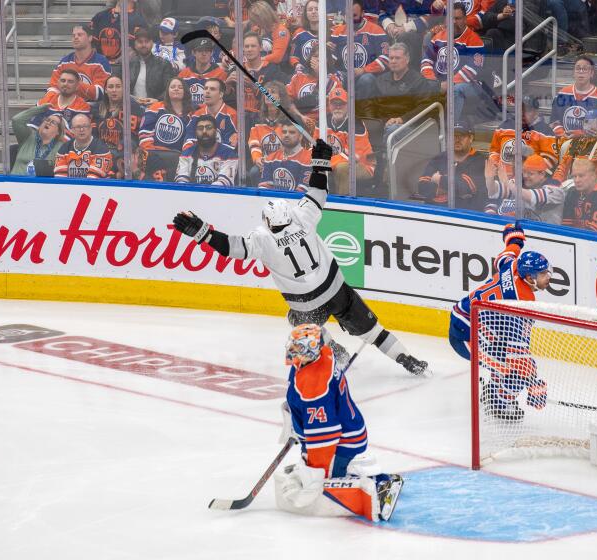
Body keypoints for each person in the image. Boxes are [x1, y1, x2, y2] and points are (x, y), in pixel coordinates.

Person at [172, 139, 431, 376]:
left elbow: (232, 248)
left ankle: (331, 354)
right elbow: (318, 192)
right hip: (336, 289)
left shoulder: (262, 238)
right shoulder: (302, 217)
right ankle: (409, 361)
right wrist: (320, 162)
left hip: (306, 305)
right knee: (374, 332)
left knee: (295, 322)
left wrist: (202, 233)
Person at [272, 323, 404, 522]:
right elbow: (299, 394)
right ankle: (339, 470)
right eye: (293, 344)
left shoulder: (315, 385)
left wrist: (317, 475)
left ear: (310, 350)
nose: (292, 350)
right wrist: (295, 421)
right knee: (313, 471)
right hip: (340, 428)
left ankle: (381, 485)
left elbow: (325, 436)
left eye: (298, 347)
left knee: (326, 483)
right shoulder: (321, 355)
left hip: (342, 440)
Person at [448, 222, 550, 421]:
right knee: (519, 371)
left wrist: (514, 237)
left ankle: (496, 389)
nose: (549, 276)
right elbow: (518, 354)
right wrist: (533, 384)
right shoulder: (522, 303)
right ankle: (498, 401)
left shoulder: (513, 268)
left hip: (469, 323)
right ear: (529, 277)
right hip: (466, 338)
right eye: (543, 273)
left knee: (504, 354)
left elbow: (507, 254)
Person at [421, 4, 486, 120]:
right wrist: (433, 82)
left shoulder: (475, 40)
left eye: (458, 18)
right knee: (420, 85)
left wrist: (448, 84)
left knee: (456, 90)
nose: (454, 22)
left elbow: (471, 70)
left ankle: (450, 129)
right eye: (451, 18)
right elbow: (426, 61)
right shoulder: (438, 37)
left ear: (465, 19)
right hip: (440, 82)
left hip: (469, 85)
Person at [413, 119, 487, 210]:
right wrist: (446, 189)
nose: (457, 140)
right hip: (433, 212)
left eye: (462, 136)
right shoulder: (439, 157)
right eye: (454, 136)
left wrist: (439, 179)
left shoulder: (480, 160)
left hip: (463, 215)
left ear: (471, 138)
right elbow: (422, 186)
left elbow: (465, 187)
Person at [321, 87, 375, 194]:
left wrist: (325, 162)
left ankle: (343, 205)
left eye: (341, 104)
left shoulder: (355, 124)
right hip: (332, 161)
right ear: (329, 105)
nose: (337, 107)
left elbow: (353, 157)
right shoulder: (323, 120)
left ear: (348, 106)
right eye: (334, 103)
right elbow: (314, 146)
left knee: (342, 168)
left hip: (364, 165)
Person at [329, 0, 389, 96]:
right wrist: (327, 50)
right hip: (345, 74)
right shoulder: (338, 32)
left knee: (366, 79)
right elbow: (332, 60)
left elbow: (386, 59)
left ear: (362, 14)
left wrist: (364, 70)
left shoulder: (376, 31)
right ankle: (338, 108)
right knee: (333, 77)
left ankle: (362, 110)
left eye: (354, 16)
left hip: (368, 74)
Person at [91, 75, 145, 178]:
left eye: (118, 86)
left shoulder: (132, 107)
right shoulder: (97, 108)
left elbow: (133, 138)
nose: (114, 90)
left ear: (124, 89)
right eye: (110, 87)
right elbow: (93, 136)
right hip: (101, 152)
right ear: (106, 90)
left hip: (123, 153)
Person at [550, 56, 597, 140]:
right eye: (578, 68)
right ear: (573, 73)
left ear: (591, 73)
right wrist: (563, 135)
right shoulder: (562, 94)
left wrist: (582, 134)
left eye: (585, 69)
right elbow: (554, 121)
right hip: (564, 143)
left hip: (590, 145)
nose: (581, 72)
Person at [47, 24, 112, 102]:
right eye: (73, 35)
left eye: (80, 35)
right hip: (67, 106)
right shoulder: (65, 62)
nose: (76, 37)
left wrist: (75, 84)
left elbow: (100, 93)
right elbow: (53, 88)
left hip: (91, 108)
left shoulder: (101, 62)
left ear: (90, 38)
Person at [561, 157, 597, 232]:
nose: (577, 180)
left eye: (581, 176)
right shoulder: (572, 192)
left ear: (593, 176)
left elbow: (594, 233)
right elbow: (565, 227)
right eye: (574, 176)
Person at [176, 114, 238, 185]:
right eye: (200, 128)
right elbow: (181, 182)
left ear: (215, 131)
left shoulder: (229, 154)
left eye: (208, 128)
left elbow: (223, 184)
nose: (204, 131)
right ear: (196, 132)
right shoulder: (187, 154)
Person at [53, 113, 114, 179]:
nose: (82, 129)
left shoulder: (101, 148)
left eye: (85, 126)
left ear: (91, 128)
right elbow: (60, 179)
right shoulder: (64, 148)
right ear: (72, 130)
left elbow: (92, 180)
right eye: (78, 127)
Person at [127, 27, 176, 107]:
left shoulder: (164, 64)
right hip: (132, 107)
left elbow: (170, 89)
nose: (143, 45)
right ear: (135, 45)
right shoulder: (128, 64)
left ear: (152, 43)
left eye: (147, 42)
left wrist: (157, 100)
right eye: (140, 42)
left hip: (156, 107)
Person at [258, 120, 313, 191]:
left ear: (300, 137)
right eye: (284, 132)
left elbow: (302, 192)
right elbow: (264, 188)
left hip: (296, 201)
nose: (287, 135)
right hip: (274, 200)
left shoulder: (308, 159)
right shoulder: (270, 158)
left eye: (292, 132)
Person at [10, 107, 66, 176]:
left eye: (53, 122)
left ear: (58, 131)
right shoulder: (27, 136)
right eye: (47, 120)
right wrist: (41, 109)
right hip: (16, 182)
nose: (48, 122)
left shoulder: (61, 147)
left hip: (42, 185)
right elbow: (16, 120)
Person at [33, 69, 92, 133]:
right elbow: (33, 125)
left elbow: (77, 134)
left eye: (70, 81)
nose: (65, 84)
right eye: (63, 81)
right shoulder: (47, 100)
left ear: (77, 86)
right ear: (58, 83)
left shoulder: (82, 107)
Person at [188, 78, 239, 149]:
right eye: (205, 88)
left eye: (212, 89)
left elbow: (231, 146)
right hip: (199, 157)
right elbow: (189, 139)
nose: (207, 91)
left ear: (221, 94)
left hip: (222, 158)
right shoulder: (197, 114)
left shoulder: (232, 115)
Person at [179, 38, 229, 109]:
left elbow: (224, 101)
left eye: (207, 50)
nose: (204, 54)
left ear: (212, 52)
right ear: (193, 52)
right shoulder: (183, 74)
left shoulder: (221, 74)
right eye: (200, 50)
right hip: (188, 113)